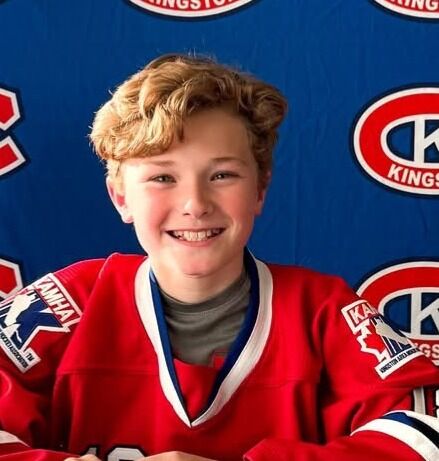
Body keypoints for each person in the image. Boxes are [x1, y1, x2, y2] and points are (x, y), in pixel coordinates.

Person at [0, 54, 438, 461]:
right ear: (121, 197)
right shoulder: (67, 304)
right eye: (162, 177)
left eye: (222, 175)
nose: (195, 203)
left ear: (260, 190)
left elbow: (424, 433)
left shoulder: (323, 312)